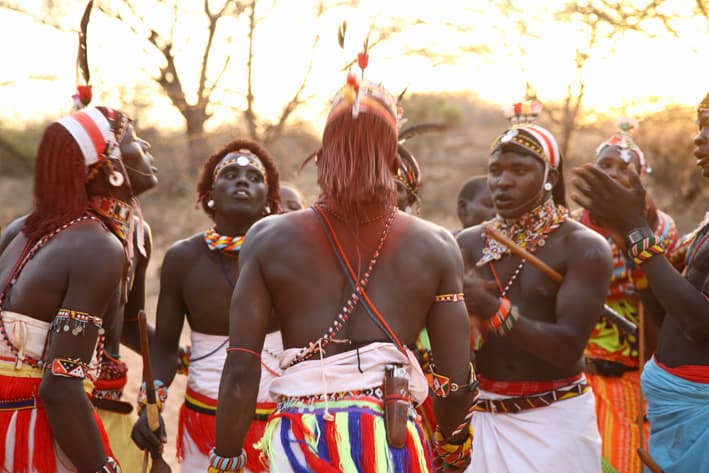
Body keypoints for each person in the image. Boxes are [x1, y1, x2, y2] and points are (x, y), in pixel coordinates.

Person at [212, 64, 477, 472]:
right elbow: (455, 381)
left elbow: (242, 368)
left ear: (324, 149)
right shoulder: (436, 244)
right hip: (393, 440)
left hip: (300, 441)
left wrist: (226, 458)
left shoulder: (267, 238)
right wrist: (454, 450)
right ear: (393, 153)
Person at [457, 100, 613, 472]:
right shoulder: (467, 243)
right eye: (495, 170)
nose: (502, 181)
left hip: (557, 420)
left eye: (519, 169)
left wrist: (491, 309)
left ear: (549, 177)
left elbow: (567, 347)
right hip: (484, 419)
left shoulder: (584, 247)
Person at [0, 105, 155, 472]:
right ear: (110, 167)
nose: (146, 146)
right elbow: (61, 387)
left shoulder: (21, 230)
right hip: (34, 437)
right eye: (133, 139)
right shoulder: (97, 246)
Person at [571, 93, 709, 473]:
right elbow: (675, 317)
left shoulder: (662, 227)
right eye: (700, 127)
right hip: (596, 373)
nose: (699, 139)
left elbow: (692, 318)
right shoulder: (573, 226)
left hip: (660, 388)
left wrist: (636, 234)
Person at [131, 139, 282, 473]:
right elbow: (165, 348)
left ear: (270, 203)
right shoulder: (183, 258)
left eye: (254, 177)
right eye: (230, 174)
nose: (242, 180)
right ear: (209, 195)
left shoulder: (287, 257)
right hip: (204, 421)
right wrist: (150, 404)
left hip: (278, 425)